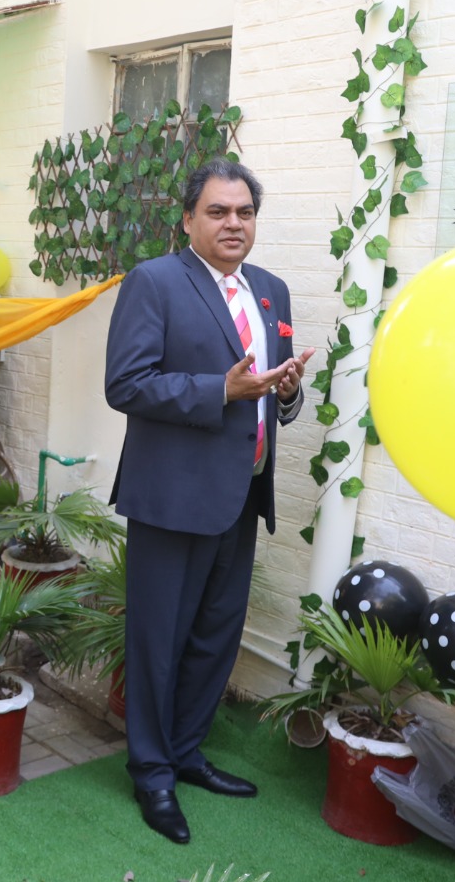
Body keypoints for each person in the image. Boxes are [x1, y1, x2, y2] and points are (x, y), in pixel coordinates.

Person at [104, 158, 315, 845]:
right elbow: (126, 384)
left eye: (244, 212)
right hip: (172, 497)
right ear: (188, 219)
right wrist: (219, 390)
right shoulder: (154, 281)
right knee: (158, 641)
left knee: (215, 635)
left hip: (242, 495)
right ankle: (151, 773)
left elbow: (269, 388)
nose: (233, 223)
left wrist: (286, 392)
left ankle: (186, 752)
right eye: (218, 211)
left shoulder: (271, 290)